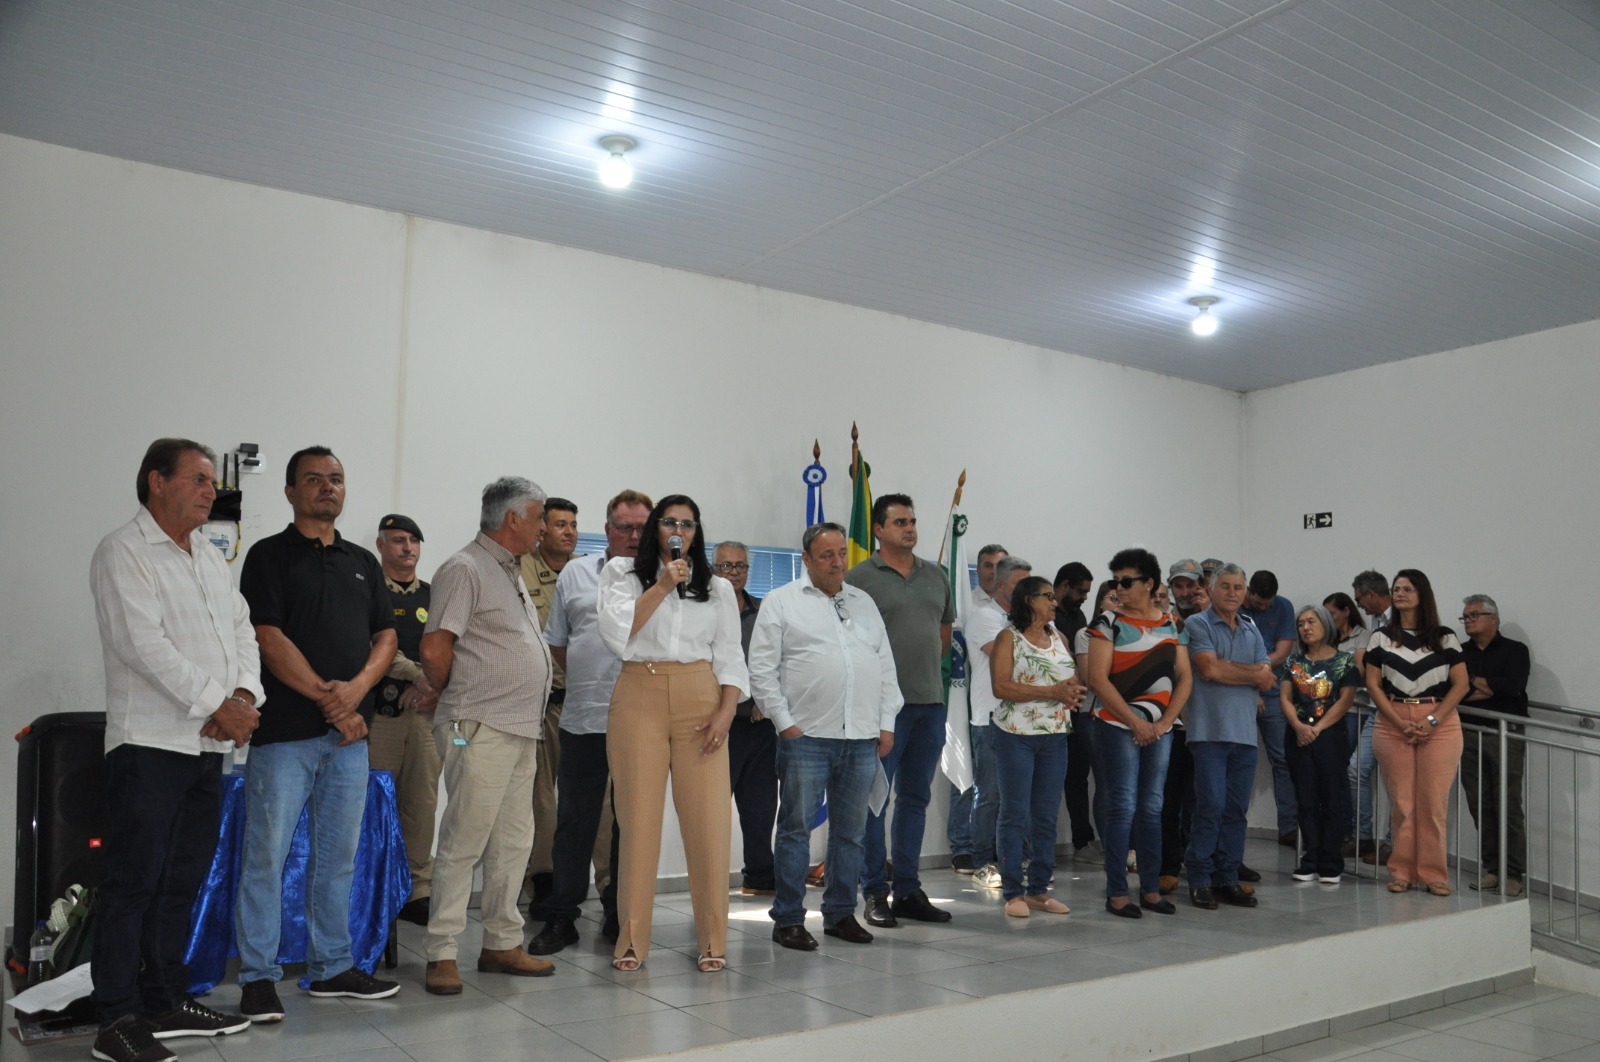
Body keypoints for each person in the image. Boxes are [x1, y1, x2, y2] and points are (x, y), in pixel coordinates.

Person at [88, 439, 262, 1062]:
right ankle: (115, 1020)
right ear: (156, 482)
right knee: (131, 884)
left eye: (212, 480)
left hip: (207, 748)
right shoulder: (123, 551)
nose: (211, 490)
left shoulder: (209, 556)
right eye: (197, 478)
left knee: (181, 881)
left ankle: (163, 1001)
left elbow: (242, 631)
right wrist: (220, 704)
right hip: (148, 745)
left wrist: (243, 696)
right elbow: (142, 644)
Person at [236, 447, 400, 1021]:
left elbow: (386, 637)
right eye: (313, 479)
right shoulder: (267, 555)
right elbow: (268, 637)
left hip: (349, 742)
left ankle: (331, 967)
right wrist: (333, 702)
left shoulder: (363, 561)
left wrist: (356, 690)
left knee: (337, 860)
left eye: (336, 479)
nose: (327, 487)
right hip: (284, 736)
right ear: (290, 492)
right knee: (267, 859)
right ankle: (258, 978)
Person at [598, 495, 749, 973]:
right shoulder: (621, 573)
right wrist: (664, 583)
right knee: (638, 823)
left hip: (700, 697)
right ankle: (631, 940)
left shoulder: (717, 587)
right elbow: (618, 634)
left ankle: (713, 940)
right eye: (669, 522)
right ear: (655, 529)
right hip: (638, 693)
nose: (678, 530)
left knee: (709, 824)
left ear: (696, 531)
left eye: (687, 523)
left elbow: (730, 655)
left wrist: (726, 711)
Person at [418, 477, 557, 994]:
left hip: (520, 728)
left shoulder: (510, 570)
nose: (544, 527)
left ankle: (501, 943)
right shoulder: (465, 567)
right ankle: (441, 952)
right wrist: (454, 695)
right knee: (464, 840)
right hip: (476, 726)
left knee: (513, 843)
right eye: (539, 517)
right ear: (513, 518)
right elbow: (434, 648)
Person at [750, 523, 901, 950]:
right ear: (806, 559)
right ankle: (788, 919)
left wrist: (886, 722)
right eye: (826, 555)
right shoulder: (781, 602)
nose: (837, 562)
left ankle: (839, 915)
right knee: (795, 831)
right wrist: (785, 723)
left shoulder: (863, 602)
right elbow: (761, 669)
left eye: (841, 553)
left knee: (851, 834)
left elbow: (885, 667)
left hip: (861, 738)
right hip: (806, 737)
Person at [528, 490, 651, 955]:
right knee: (574, 822)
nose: (633, 535)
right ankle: (563, 916)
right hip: (583, 719)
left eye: (642, 527)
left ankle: (620, 913)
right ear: (608, 529)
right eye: (624, 527)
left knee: (629, 824)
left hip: (642, 724)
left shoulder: (663, 578)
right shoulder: (577, 574)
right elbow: (558, 644)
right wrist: (591, 678)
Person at [845, 494, 956, 928]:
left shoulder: (936, 576)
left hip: (930, 703)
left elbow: (943, 636)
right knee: (875, 802)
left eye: (912, 521)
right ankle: (874, 891)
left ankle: (908, 889)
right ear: (878, 530)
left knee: (916, 798)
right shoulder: (859, 578)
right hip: (881, 710)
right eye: (899, 522)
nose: (910, 529)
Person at [1085, 548, 1191, 919]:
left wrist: (1164, 723)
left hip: (1160, 728)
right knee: (1123, 805)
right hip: (1117, 725)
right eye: (1116, 582)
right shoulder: (1107, 623)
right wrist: (1136, 722)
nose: (1119, 588)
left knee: (1152, 807)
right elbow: (1097, 679)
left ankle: (1150, 889)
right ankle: (1117, 892)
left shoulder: (1171, 623)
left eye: (1127, 582)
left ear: (1149, 583)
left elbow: (1185, 678)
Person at [1365, 569, 1469, 896]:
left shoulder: (1445, 637)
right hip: (1392, 721)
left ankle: (1434, 874)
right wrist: (1400, 723)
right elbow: (1373, 685)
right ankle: (1401, 871)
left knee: (1433, 803)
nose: (1400, 593)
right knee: (1402, 803)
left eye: (1407, 588)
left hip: (1439, 722)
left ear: (1422, 594)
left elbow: (1461, 685)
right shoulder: (1381, 637)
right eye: (1396, 588)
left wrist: (1433, 720)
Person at [1182, 563, 1274, 911]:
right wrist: (1251, 674)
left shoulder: (1251, 629)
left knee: (1236, 811)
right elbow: (1208, 668)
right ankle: (1200, 878)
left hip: (1245, 735)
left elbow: (1268, 677)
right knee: (1210, 807)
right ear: (1212, 588)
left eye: (1238, 587)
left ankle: (1227, 878)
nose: (1232, 593)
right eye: (1225, 586)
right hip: (1208, 733)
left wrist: (1231, 670)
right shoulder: (1197, 624)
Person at [366, 514, 441, 927]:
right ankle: (372, 888)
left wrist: (433, 689)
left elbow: (453, 648)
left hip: (426, 715)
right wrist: (419, 676)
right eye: (398, 540)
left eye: (413, 540)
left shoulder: (434, 596)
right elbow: (374, 645)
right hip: (382, 718)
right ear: (381, 546)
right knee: (375, 804)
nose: (408, 548)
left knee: (421, 805)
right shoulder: (368, 590)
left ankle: (417, 890)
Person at [990, 576, 1080, 917]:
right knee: (1015, 813)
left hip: (1055, 734)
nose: (1055, 602)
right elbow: (1001, 687)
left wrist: (1072, 691)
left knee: (1045, 813)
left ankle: (1039, 890)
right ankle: (1013, 892)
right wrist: (1053, 692)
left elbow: (1069, 677)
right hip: (1016, 734)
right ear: (1029, 600)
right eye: (1048, 596)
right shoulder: (1008, 638)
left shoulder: (1059, 636)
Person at [520, 497, 579, 918]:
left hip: (585, 703)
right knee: (540, 798)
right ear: (542, 530)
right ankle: (543, 878)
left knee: (595, 798)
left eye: (573, 524)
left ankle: (606, 883)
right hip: (540, 705)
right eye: (560, 524)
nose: (569, 531)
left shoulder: (589, 573)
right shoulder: (519, 570)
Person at [964, 555, 1030, 890]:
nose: (1028, 592)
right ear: (1002, 586)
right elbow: (1016, 661)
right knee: (989, 793)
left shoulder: (1028, 622)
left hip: (1023, 719)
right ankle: (982, 861)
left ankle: (1015, 858)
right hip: (990, 717)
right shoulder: (985, 617)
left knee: (1018, 795)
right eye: (1020, 585)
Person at [715, 539, 777, 896]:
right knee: (711, 810)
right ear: (713, 570)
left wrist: (765, 701)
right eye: (725, 565)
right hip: (719, 726)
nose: (733, 572)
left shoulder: (763, 611)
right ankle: (709, 879)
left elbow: (776, 660)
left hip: (760, 726)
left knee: (761, 808)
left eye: (739, 566)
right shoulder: (704, 608)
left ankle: (760, 876)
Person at [1458, 595, 1530, 897]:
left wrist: (1472, 682)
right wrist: (1487, 687)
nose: (1468, 621)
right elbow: (1455, 693)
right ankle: (1493, 868)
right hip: (1469, 734)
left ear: (1493, 618)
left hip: (1505, 736)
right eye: (1465, 617)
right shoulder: (1459, 653)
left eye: (1474, 615)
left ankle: (1512, 873)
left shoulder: (1515, 650)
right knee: (1479, 804)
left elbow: (1512, 687)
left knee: (1508, 805)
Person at [1280, 605, 1357, 885]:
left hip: (1331, 736)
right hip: (1298, 735)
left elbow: (1345, 700)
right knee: (1306, 799)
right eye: (1301, 623)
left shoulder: (1345, 661)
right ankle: (1309, 859)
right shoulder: (1293, 662)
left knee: (1332, 798)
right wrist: (1299, 727)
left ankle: (1331, 861)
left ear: (1326, 624)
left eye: (1311, 622)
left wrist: (1318, 728)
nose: (1306, 628)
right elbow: (1285, 698)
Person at [950, 543, 1008, 874]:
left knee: (994, 787)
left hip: (1002, 705)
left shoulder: (1013, 609)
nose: (992, 572)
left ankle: (996, 847)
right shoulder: (966, 605)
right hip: (966, 701)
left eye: (999, 566)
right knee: (964, 778)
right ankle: (963, 846)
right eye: (987, 565)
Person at [1157, 558, 1205, 896]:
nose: (1186, 592)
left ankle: (1205, 860)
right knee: (1169, 799)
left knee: (1204, 800)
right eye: (1179, 586)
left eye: (1192, 585)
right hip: (1173, 724)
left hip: (1208, 723)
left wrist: (1206, 614)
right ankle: (1169, 865)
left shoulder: (1215, 619)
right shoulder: (1166, 621)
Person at [1242, 570, 1299, 848]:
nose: (1265, 607)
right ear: (1249, 592)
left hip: (1273, 691)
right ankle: (1233, 828)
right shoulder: (1235, 607)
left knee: (1284, 759)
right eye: (1259, 602)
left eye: (1269, 603)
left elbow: (1283, 651)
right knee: (1238, 759)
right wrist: (1252, 684)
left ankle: (1289, 827)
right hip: (1240, 690)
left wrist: (1260, 675)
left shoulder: (1283, 606)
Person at [1052, 563, 1098, 862]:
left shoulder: (1078, 617)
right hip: (1048, 706)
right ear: (1065, 585)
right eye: (1080, 591)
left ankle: (1083, 841)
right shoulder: (1046, 614)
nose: (1084, 598)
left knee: (1078, 776)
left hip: (1076, 708)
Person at [1349, 570, 1395, 865]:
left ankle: (1393, 843)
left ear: (1371, 594)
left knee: (1396, 780)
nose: (1359, 605)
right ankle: (1363, 836)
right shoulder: (1377, 623)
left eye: (1359, 599)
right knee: (1356, 769)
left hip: (1398, 707)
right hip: (1377, 707)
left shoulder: (1402, 620)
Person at [1322, 591, 1367, 856]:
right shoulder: (1326, 637)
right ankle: (1337, 830)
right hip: (1327, 710)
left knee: (1345, 770)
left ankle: (1350, 832)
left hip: (1354, 710)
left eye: (1332, 613)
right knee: (1331, 771)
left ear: (1346, 610)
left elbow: (1358, 671)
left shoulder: (1363, 635)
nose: (1328, 619)